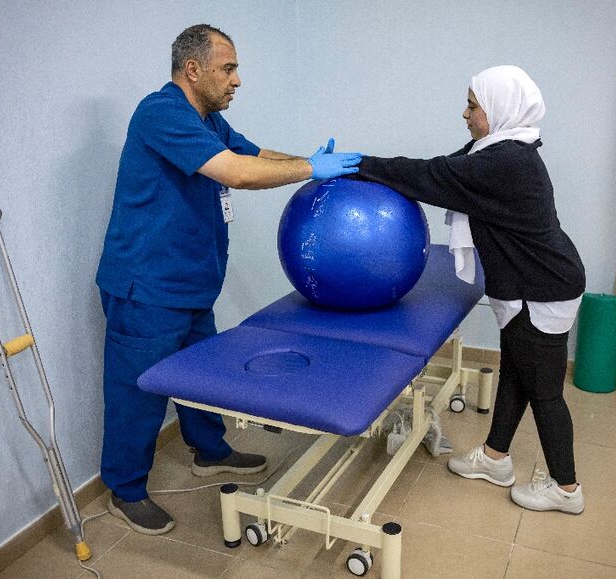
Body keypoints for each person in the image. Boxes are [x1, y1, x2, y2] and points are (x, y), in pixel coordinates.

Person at [95, 23, 361, 535]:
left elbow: (254, 157)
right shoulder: (161, 113)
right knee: (138, 391)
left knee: (201, 375)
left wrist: (316, 162)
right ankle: (125, 490)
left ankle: (209, 452)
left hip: (190, 282)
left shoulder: (208, 120)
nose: (237, 80)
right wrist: (311, 169)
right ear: (192, 70)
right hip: (145, 286)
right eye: (228, 68)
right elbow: (235, 174)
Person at [353, 65, 586, 514]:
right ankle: (496, 458)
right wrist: (371, 167)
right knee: (517, 373)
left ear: (498, 110)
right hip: (531, 283)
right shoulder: (500, 148)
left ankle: (566, 488)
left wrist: (358, 164)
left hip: (540, 289)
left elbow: (432, 177)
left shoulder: (505, 161)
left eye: (473, 106)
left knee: (545, 392)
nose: (465, 113)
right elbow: (438, 170)